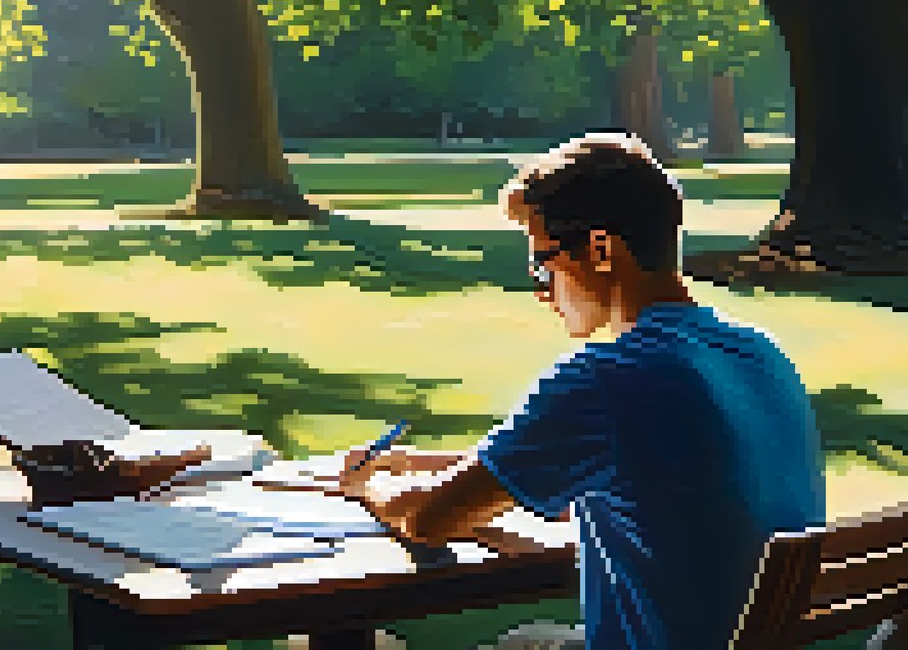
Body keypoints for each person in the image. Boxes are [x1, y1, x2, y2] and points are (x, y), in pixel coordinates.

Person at [337, 132, 827, 650]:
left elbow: (428, 518)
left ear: (600, 250)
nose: (539, 290)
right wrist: (428, 467)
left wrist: (368, 486)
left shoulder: (607, 378)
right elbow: (653, 482)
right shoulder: (758, 354)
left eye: (542, 265)